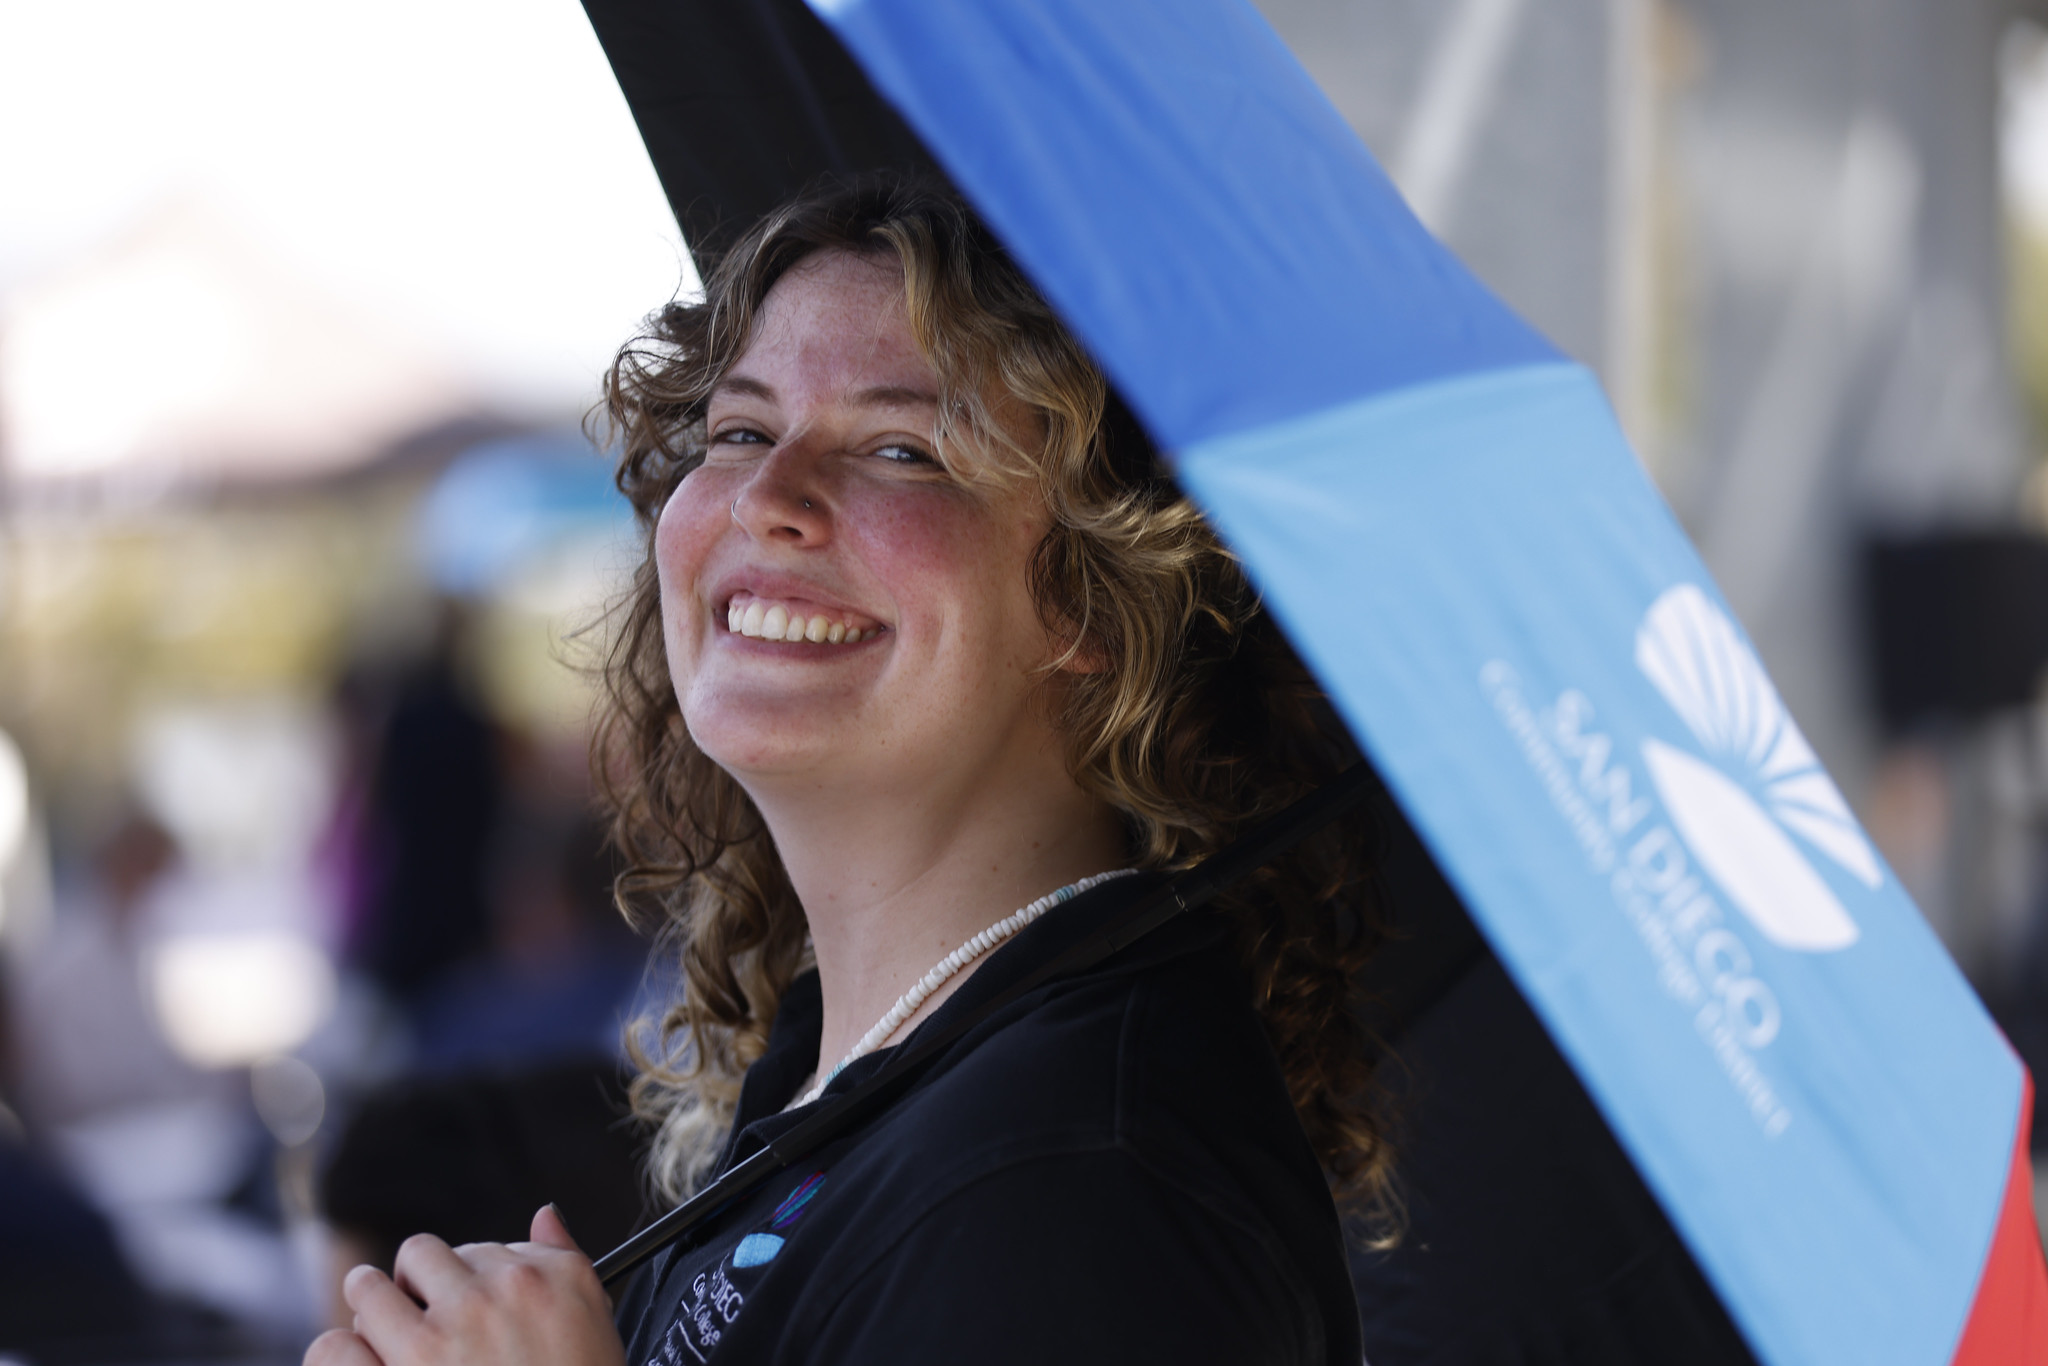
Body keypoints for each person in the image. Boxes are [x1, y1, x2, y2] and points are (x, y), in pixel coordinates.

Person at [306, 175, 1387, 1366]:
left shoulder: (1077, 1181)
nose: (768, 498)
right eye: (739, 430)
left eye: (899, 447)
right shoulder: (863, 1075)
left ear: (1093, 593)